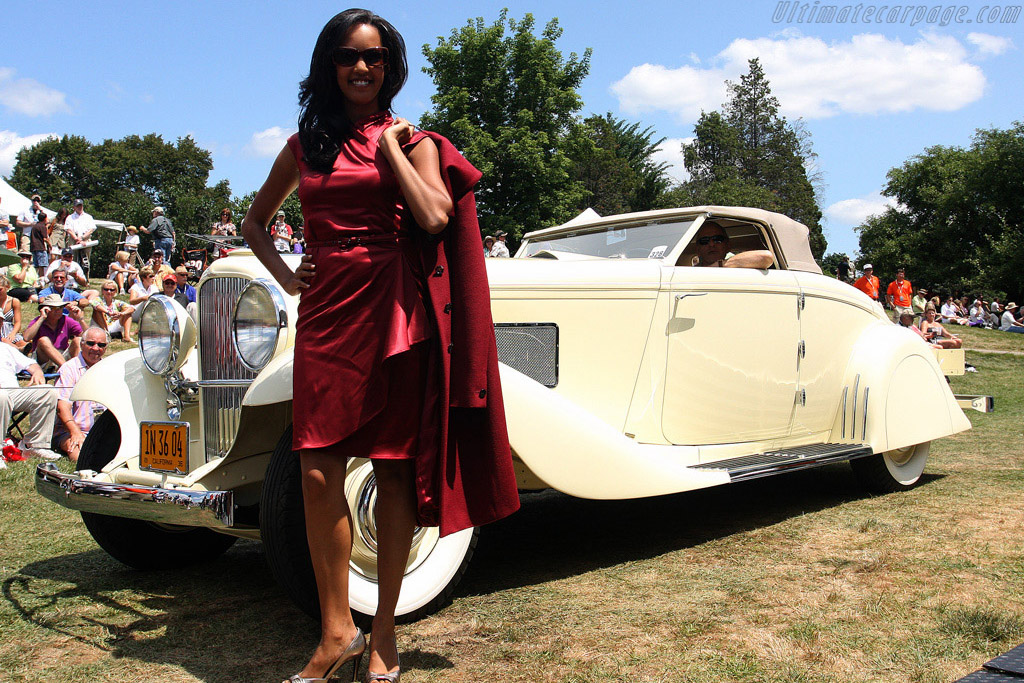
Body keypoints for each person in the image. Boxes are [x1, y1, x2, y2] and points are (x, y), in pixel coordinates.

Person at [240, 10, 519, 681]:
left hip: (395, 314)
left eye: (373, 57)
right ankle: (336, 628)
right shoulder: (304, 145)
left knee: (393, 468)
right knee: (315, 471)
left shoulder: (415, 139)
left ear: (389, 67)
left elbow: (433, 214)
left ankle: (385, 630)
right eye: (346, 56)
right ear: (328, 65)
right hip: (328, 313)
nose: (360, 68)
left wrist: (391, 150)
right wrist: (286, 273)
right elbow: (255, 222)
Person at [53, 326, 108, 462]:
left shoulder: (108, 369)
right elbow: (62, 407)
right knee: (83, 458)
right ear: (81, 344)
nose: (96, 348)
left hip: (102, 431)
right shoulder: (69, 369)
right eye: (91, 343)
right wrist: (75, 432)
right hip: (70, 431)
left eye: (101, 345)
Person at [0, 341, 60, 461]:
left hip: (12, 393)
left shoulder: (5, 348)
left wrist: (38, 372)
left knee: (48, 391)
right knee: (2, 395)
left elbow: (30, 363)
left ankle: (36, 446)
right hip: (2, 395)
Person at [23, 294, 83, 368]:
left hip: (62, 354)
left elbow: (86, 337)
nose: (58, 311)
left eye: (60, 307)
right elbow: (26, 338)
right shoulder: (38, 321)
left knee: (78, 340)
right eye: (54, 308)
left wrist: (81, 319)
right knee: (43, 340)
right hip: (44, 358)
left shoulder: (66, 320)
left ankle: (78, 369)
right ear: (46, 309)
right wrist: (42, 318)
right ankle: (68, 369)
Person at [691, 222, 774, 268]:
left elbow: (766, 257)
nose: (711, 244)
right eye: (704, 241)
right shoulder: (688, 274)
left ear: (728, 246)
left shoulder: (740, 267)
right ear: (698, 249)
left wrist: (719, 265)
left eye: (718, 239)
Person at [65, 198, 98, 272]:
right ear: (74, 207)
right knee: (73, 259)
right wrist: (77, 239)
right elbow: (69, 229)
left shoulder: (88, 217)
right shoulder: (70, 217)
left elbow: (91, 229)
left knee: (86, 261)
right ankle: (73, 278)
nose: (80, 207)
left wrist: (82, 238)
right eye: (78, 206)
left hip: (86, 239)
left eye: (81, 205)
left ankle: (85, 280)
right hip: (73, 239)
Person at [0, 276, 24, 348]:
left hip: (10, 329)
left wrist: (13, 333)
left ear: (7, 287)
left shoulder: (14, 301)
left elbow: (17, 322)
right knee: (5, 341)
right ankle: (18, 351)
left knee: (21, 342)